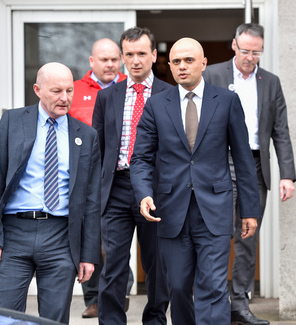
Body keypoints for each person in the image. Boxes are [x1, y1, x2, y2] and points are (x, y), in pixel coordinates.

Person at [130, 37, 261, 325]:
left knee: (212, 288)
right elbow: (140, 159)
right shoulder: (156, 105)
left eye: (189, 60)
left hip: (214, 209)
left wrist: (250, 210)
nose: (182, 66)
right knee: (177, 287)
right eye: (175, 61)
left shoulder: (226, 101)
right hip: (171, 212)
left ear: (203, 63)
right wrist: (143, 194)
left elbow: (243, 158)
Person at [0, 62, 101, 324]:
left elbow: (91, 200)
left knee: (55, 319)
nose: (65, 98)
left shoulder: (87, 135)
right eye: (57, 91)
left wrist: (88, 255)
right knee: (1, 316)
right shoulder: (12, 122)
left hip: (61, 238)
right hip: (13, 236)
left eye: (69, 91)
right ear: (37, 89)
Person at [203, 23, 296, 325]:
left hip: (256, 166)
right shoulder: (212, 76)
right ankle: (211, 302)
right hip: (220, 163)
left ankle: (239, 306)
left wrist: (287, 174)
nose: (250, 57)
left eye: (257, 52)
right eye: (245, 51)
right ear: (234, 46)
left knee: (247, 237)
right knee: (216, 235)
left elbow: (280, 130)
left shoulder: (271, 82)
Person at [92, 27, 172, 325]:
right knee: (113, 263)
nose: (135, 60)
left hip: (156, 190)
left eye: (142, 53)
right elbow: (98, 146)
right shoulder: (107, 96)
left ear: (153, 55)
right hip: (116, 189)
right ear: (122, 57)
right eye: (129, 54)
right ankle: (111, 321)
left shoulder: (170, 94)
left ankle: (154, 319)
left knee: (156, 265)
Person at [67, 37, 133, 319]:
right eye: (103, 59)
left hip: (117, 178)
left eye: (114, 59)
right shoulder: (75, 91)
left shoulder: (131, 89)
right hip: (81, 176)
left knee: (115, 243)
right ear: (91, 61)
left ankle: (122, 290)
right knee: (89, 240)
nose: (109, 64)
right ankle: (93, 299)